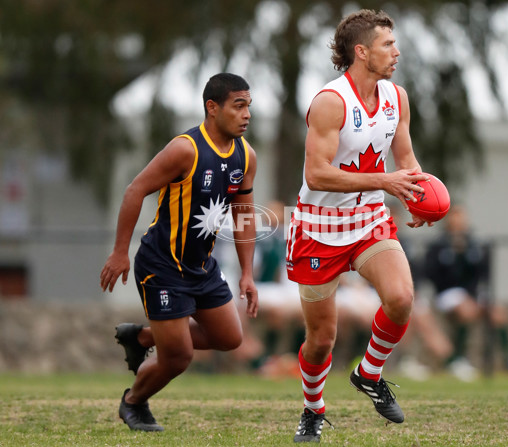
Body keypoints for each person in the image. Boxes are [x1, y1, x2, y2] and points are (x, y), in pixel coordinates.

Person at [285, 10, 432, 442]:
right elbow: (317, 175)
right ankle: (313, 409)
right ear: (361, 51)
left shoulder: (396, 97)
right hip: (318, 227)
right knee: (321, 339)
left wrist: (420, 196)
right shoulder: (331, 102)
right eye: (388, 44)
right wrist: (384, 180)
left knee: (402, 298)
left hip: (368, 219)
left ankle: (369, 373)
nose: (397, 51)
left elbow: (406, 161)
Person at [100, 73, 259, 432]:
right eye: (238, 105)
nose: (247, 114)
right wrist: (120, 252)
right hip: (161, 265)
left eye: (249, 106)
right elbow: (134, 190)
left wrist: (247, 273)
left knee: (230, 338)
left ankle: (142, 337)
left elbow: (244, 214)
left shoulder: (246, 156)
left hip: (201, 267)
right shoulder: (185, 149)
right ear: (212, 108)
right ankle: (133, 403)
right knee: (179, 356)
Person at [424, 205, 508, 378]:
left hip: (472, 293)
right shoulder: (439, 244)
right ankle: (458, 359)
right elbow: (430, 272)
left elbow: (483, 272)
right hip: (448, 293)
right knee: (465, 310)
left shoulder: (473, 244)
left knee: (498, 312)